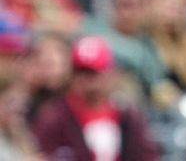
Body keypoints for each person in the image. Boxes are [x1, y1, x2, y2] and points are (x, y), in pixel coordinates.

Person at [31, 35, 159, 161]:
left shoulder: (127, 116)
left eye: (92, 73)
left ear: (109, 73)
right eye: (80, 72)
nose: (85, 80)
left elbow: (146, 155)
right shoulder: (54, 116)